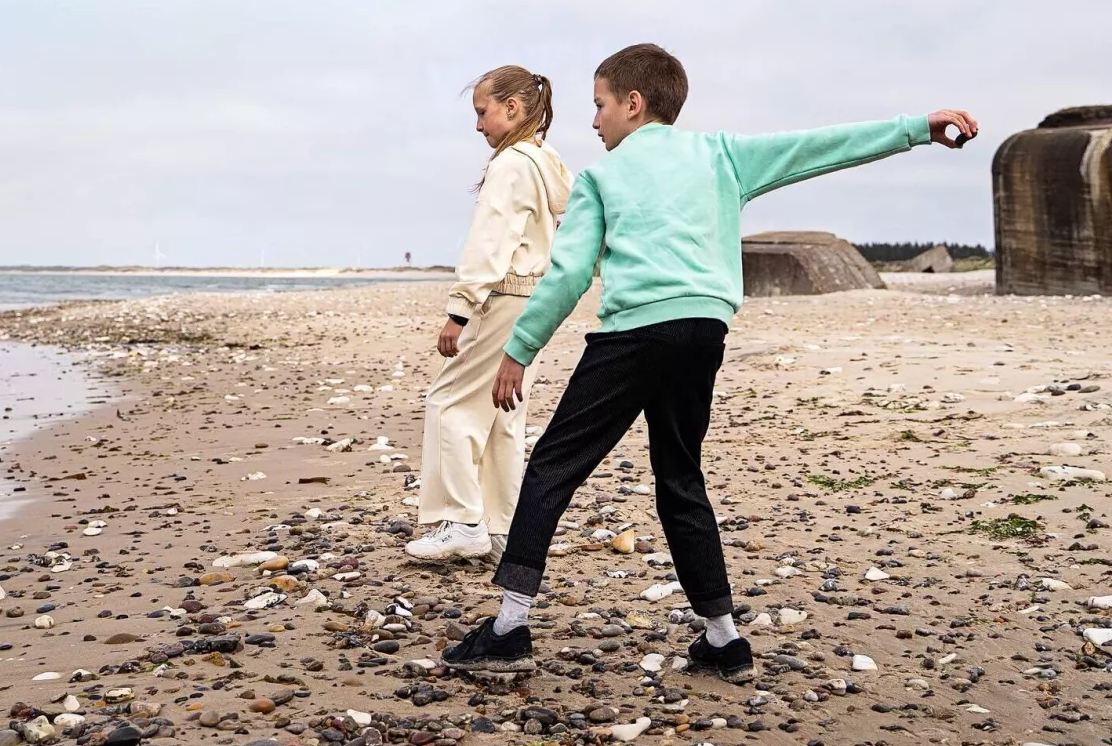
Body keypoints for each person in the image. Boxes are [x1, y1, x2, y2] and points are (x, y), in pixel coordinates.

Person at [442, 43, 978, 679]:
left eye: (600, 106)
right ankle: (723, 640)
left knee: (555, 465)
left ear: (633, 105)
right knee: (679, 475)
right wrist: (918, 129)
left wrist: (519, 350)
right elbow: (820, 148)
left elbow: (566, 275)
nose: (594, 122)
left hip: (634, 336)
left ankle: (508, 629)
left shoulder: (600, 178)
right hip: (703, 332)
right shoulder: (721, 155)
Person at [406, 66, 574, 565]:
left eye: (483, 112)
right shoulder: (547, 161)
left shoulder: (512, 164)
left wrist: (459, 311)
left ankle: (462, 520)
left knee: (450, 403)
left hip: (503, 296)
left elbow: (490, 239)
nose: (478, 125)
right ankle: (501, 526)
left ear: (513, 109)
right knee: (504, 411)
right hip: (534, 299)